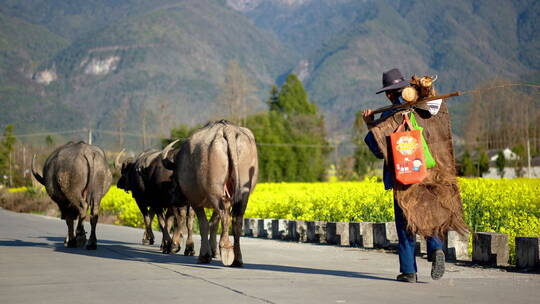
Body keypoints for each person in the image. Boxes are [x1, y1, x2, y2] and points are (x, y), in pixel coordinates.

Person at [362, 68, 445, 283]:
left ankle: (409, 271)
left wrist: (371, 123)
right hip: (425, 171)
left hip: (401, 178)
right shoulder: (422, 111)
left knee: (405, 222)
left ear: (390, 94)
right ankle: (436, 247)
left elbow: (377, 149)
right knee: (427, 214)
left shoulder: (387, 117)